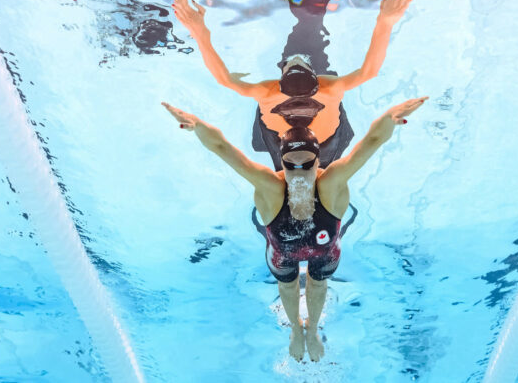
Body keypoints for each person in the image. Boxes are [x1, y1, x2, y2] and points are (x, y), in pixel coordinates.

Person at [161, 96, 428, 362]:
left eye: (306, 164)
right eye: (291, 164)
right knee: (287, 286)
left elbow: (371, 141)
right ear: (282, 161)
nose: (298, 172)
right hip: (283, 253)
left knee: (318, 282)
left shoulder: (331, 184)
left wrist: (389, 118)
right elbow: (221, 147)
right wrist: (197, 125)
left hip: (324, 252)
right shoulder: (271, 187)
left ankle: (311, 330)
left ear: (318, 161)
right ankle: (295, 332)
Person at [171, 0, 415, 169]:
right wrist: (386, 20)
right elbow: (369, 72)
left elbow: (225, 80)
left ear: (281, 79)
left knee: (284, 181)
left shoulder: (268, 91)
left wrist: (198, 30)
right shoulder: (329, 88)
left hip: (288, 145)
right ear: (317, 78)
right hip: (325, 146)